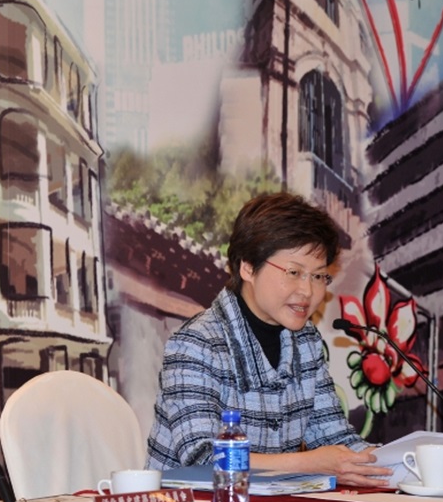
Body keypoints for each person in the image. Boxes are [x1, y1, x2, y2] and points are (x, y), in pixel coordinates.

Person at [147, 192, 392, 487]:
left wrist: (402, 462)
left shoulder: (306, 342)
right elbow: (204, 458)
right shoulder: (195, 344)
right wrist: (308, 462)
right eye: (294, 272)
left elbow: (334, 437)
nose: (308, 291)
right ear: (247, 267)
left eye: (318, 277)